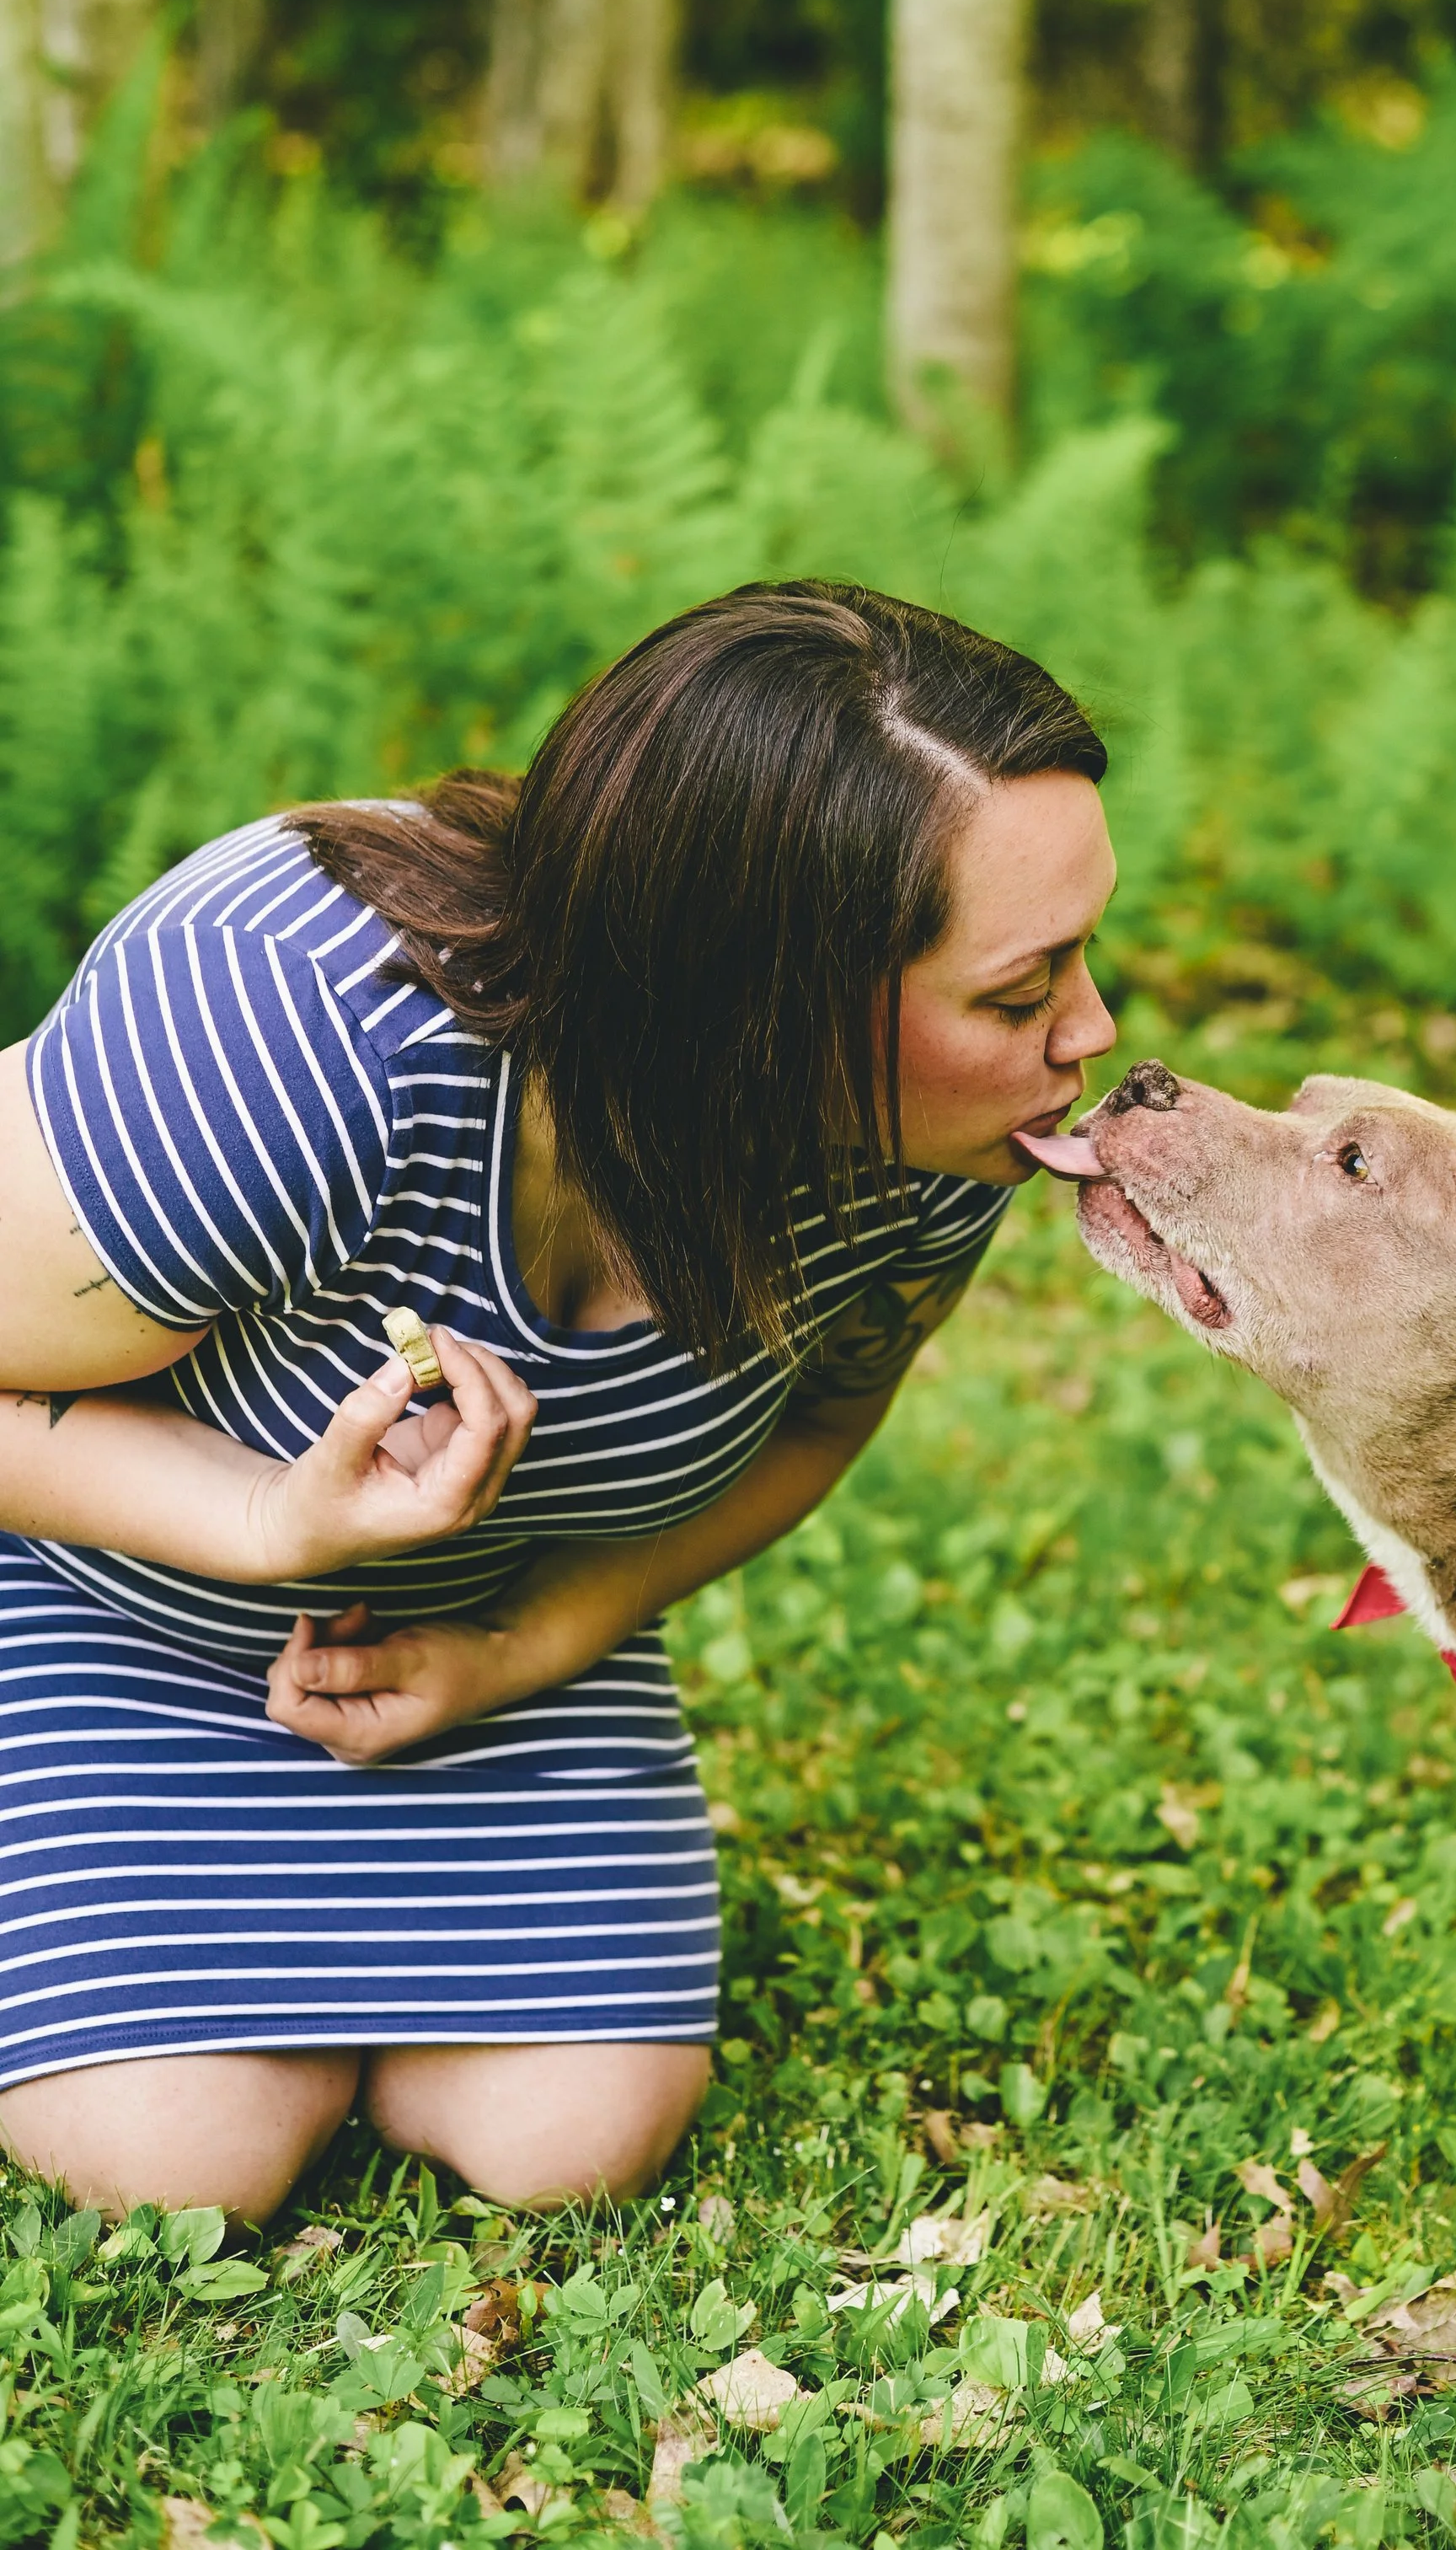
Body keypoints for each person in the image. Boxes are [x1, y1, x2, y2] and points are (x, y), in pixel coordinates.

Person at [0, 583, 1116, 2221]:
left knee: (568, 2147)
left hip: (484, 1648)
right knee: (178, 2170)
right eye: (1019, 994)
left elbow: (816, 1423)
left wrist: (529, 1646)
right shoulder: (291, 1024)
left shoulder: (925, 1141)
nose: (1087, 1034)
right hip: (98, 1612)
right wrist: (257, 1519)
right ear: (760, 1005)